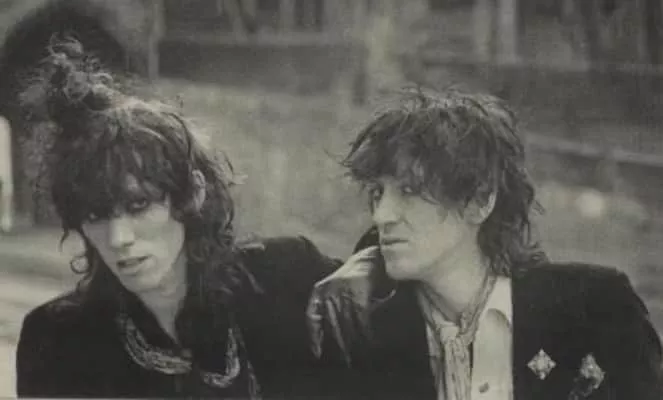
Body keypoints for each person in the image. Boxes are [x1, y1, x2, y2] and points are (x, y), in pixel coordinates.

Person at [15, 37, 345, 398]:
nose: (118, 237)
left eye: (139, 205)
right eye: (96, 215)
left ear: (192, 194)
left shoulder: (288, 278)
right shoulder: (57, 341)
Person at [309, 87, 663, 400]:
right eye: (378, 193)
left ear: (479, 201)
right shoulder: (361, 332)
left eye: (409, 191)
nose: (381, 214)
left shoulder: (597, 310)